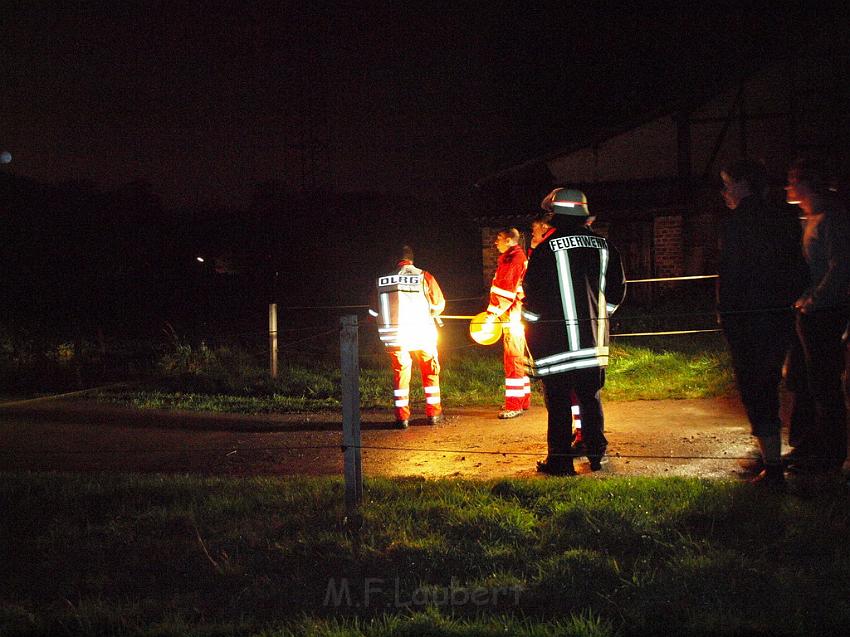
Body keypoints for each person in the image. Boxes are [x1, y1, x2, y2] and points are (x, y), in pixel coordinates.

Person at [717, 158, 808, 488]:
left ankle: (772, 467)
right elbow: (798, 269)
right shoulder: (782, 218)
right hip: (780, 316)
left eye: (727, 184)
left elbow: (732, 278)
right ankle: (770, 453)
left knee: (756, 389)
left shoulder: (738, 222)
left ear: (742, 184)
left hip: (748, 320)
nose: (724, 191)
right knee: (770, 384)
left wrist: (727, 316)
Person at [522, 188, 626, 475]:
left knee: (558, 403)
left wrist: (528, 326)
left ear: (554, 214)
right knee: (590, 397)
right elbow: (617, 291)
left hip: (555, 345)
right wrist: (600, 318)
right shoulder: (605, 246)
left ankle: (561, 461)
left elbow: (532, 299)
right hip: (593, 344)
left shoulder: (544, 249)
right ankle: (596, 456)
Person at [782, 156, 850, 473]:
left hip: (824, 313)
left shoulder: (832, 219)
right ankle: (807, 444)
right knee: (802, 379)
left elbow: (840, 269)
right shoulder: (811, 218)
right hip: (810, 311)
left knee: (823, 383)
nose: (787, 187)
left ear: (806, 184)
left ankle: (830, 453)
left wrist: (815, 299)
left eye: (792, 181)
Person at [369, 245, 446, 429]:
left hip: (394, 337)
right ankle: (434, 413)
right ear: (412, 259)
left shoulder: (381, 281)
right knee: (430, 371)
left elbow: (373, 312)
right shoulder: (424, 276)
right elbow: (439, 305)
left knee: (401, 374)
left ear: (395, 260)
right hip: (422, 333)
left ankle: (402, 418)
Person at [484, 227, 531, 418]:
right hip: (514, 313)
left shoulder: (513, 259)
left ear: (510, 241)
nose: (496, 243)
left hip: (511, 314)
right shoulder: (513, 257)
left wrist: (491, 313)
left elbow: (505, 290)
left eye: (499, 239)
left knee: (513, 358)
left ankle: (514, 405)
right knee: (519, 357)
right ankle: (523, 400)